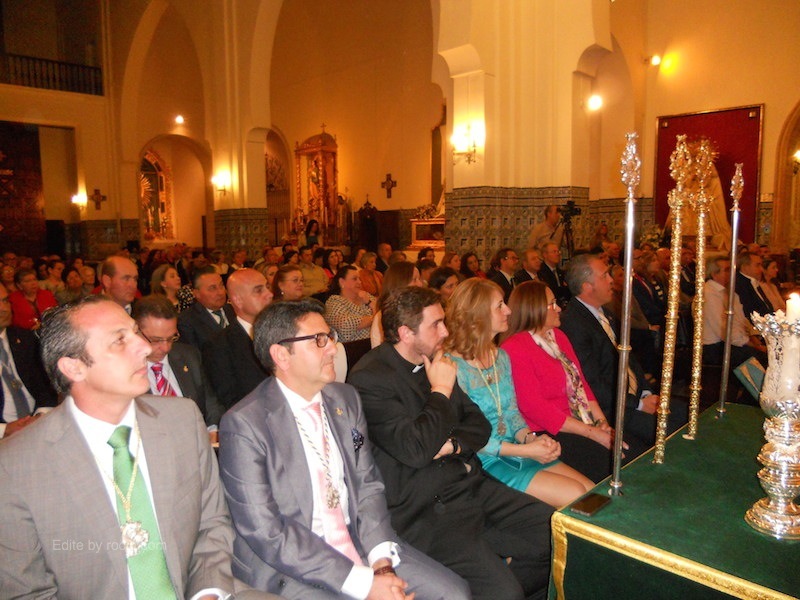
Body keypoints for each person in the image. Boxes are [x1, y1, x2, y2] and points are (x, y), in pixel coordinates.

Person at [0, 295, 278, 599]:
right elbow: (26, 591)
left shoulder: (182, 420)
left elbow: (211, 523)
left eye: (135, 332)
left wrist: (206, 592)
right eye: (120, 340)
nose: (145, 348)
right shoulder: (16, 466)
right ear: (74, 367)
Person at [218, 299, 470, 600]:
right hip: (290, 565)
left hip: (359, 539)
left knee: (453, 593)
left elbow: (367, 485)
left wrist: (382, 565)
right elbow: (267, 532)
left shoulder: (344, 399)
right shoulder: (245, 424)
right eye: (319, 340)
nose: (333, 349)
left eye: (330, 337)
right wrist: (365, 584)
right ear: (281, 355)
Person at [348, 286, 554, 600]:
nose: (445, 331)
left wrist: (453, 446)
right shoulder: (369, 378)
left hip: (469, 486)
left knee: (555, 536)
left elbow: (479, 425)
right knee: (506, 592)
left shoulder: (435, 359)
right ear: (405, 333)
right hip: (427, 510)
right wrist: (441, 391)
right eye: (436, 324)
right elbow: (417, 450)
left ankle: (491, 583)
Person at [444, 278, 593, 506]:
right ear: (478, 315)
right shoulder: (452, 367)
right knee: (576, 495)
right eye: (499, 306)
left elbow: (512, 413)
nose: (508, 310)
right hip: (484, 460)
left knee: (592, 492)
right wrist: (527, 450)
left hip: (518, 450)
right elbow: (466, 436)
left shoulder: (500, 357)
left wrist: (532, 439)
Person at [559, 254, 687, 458]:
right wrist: (638, 404)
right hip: (611, 407)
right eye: (604, 276)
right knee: (670, 429)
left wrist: (645, 394)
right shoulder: (574, 324)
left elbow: (629, 359)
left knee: (686, 412)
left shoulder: (605, 313)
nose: (611, 280)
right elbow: (592, 383)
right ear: (587, 287)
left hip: (632, 396)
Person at [501, 280, 619, 482]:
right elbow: (535, 408)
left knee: (626, 449)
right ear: (534, 309)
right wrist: (592, 433)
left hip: (579, 422)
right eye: (551, 304)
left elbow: (581, 384)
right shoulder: (515, 347)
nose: (558, 309)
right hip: (549, 432)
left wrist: (602, 424)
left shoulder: (558, 336)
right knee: (611, 464)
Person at [133, 295, 225, 426]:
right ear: (135, 331)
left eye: (171, 338)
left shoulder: (189, 356)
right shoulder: (124, 372)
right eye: (156, 340)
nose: (166, 347)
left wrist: (213, 428)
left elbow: (210, 403)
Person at [203, 268, 273, 410]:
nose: (270, 294)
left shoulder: (286, 330)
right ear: (238, 300)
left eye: (267, 287)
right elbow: (231, 400)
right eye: (259, 290)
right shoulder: (220, 346)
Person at [0, 283, 58, 438]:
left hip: (38, 422)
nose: (4, 308)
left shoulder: (25, 339)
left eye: (5, 301)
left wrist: (40, 415)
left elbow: (45, 386)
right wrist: (4, 430)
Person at [703, 255, 767, 373]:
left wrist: (753, 338)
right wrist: (750, 344)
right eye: (727, 270)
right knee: (758, 358)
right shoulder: (708, 293)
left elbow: (741, 320)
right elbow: (723, 329)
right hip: (715, 347)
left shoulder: (729, 292)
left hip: (733, 341)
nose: (731, 274)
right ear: (714, 274)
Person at [178, 265, 236, 349]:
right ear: (197, 294)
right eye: (212, 288)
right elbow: (193, 354)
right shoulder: (187, 321)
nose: (220, 292)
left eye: (221, 285)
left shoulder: (234, 310)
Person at [370, 261, 424, 348]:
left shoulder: (422, 309)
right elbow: (383, 352)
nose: (420, 284)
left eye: (419, 279)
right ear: (401, 283)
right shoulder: (382, 317)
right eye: (414, 280)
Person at [325, 266, 376, 343]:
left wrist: (370, 302)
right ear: (342, 282)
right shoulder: (334, 301)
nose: (359, 282)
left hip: (375, 344)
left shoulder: (366, 296)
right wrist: (375, 318)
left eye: (359, 279)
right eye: (355, 279)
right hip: (352, 347)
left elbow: (384, 313)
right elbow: (346, 324)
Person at [736, 251, 774, 324]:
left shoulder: (753, 281)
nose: (761, 269)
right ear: (745, 267)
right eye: (757, 265)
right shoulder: (740, 285)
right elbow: (748, 311)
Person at [537, 242, 570, 308]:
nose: (558, 254)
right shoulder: (541, 273)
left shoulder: (561, 272)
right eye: (554, 252)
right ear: (545, 255)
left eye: (558, 251)